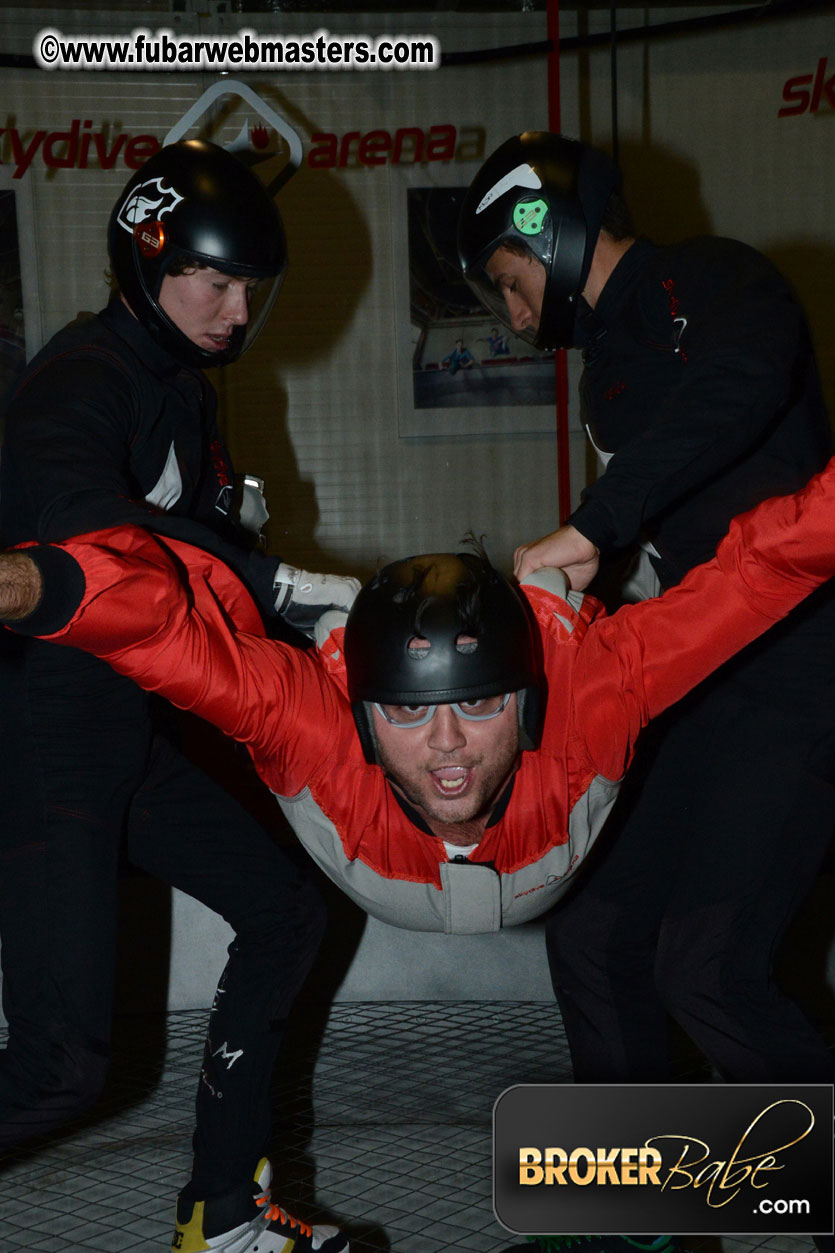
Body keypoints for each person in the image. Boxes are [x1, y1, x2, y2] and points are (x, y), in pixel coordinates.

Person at [0, 139, 355, 1253]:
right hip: (39, 733)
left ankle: (223, 1214)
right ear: (145, 262)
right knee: (61, 1064)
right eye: (214, 281)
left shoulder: (190, 394)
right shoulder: (82, 376)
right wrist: (280, 584)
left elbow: (201, 563)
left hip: (123, 731)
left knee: (291, 907)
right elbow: (85, 528)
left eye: (252, 286)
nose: (236, 309)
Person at [456, 132, 835, 1089]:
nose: (511, 312)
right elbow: (648, 539)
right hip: (700, 680)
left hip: (799, 675)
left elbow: (738, 390)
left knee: (707, 972)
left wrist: (590, 526)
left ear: (551, 233)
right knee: (591, 935)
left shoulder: (713, 279)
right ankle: (628, 1233)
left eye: (510, 280)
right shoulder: (606, 375)